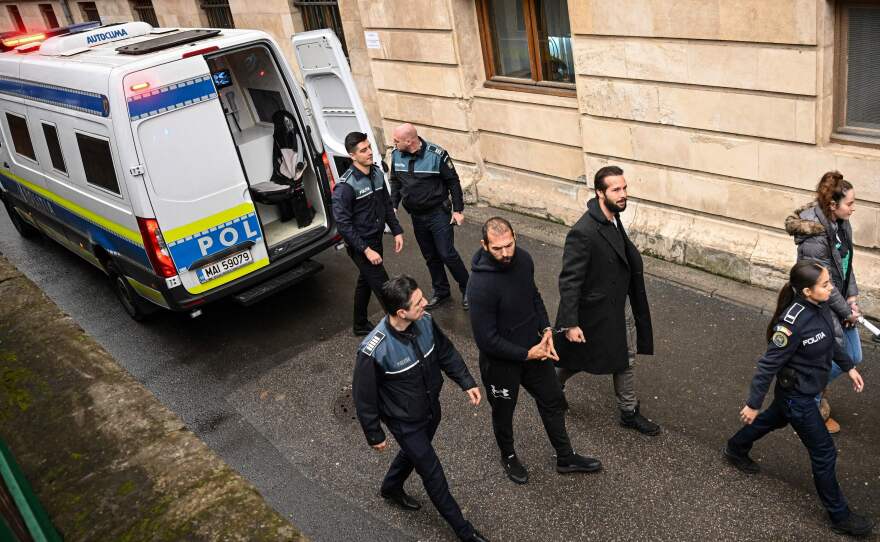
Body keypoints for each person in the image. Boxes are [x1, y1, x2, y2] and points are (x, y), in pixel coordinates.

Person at [724, 261, 872, 537]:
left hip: (801, 392)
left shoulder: (821, 306)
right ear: (807, 291)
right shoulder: (790, 325)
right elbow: (767, 365)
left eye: (829, 282)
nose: (831, 288)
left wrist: (850, 367)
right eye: (825, 284)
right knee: (824, 452)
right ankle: (839, 516)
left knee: (773, 419)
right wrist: (753, 403)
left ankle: (735, 447)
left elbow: (830, 343)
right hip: (798, 398)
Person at [352, 275, 488, 542]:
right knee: (433, 474)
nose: (425, 303)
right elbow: (364, 396)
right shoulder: (373, 350)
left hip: (430, 410)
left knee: (415, 453)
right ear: (401, 313)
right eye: (418, 302)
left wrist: (465, 381)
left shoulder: (424, 321)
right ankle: (465, 532)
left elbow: (446, 352)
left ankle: (391, 487)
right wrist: (374, 434)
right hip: (405, 422)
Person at [467, 217, 602, 484]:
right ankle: (508, 456)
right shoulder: (480, 286)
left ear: (515, 236)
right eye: (497, 249)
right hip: (502, 363)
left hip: (535, 350)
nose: (505, 254)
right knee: (504, 413)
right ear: (484, 245)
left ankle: (565, 456)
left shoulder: (524, 260)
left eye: (509, 245)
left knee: (553, 400)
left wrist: (547, 331)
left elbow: (534, 297)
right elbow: (486, 340)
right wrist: (527, 354)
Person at [554, 166, 660, 435]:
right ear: (600, 192)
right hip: (596, 311)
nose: (623, 194)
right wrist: (570, 323)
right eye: (616, 189)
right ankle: (627, 411)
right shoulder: (583, 232)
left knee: (620, 357)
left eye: (624, 188)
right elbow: (569, 280)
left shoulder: (611, 216)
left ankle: (627, 408)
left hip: (616, 305)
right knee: (597, 357)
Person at [784, 171, 862, 433]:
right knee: (835, 357)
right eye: (849, 203)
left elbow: (846, 264)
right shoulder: (815, 240)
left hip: (839, 301)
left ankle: (807, 395)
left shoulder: (841, 223)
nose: (853, 208)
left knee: (854, 355)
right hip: (821, 305)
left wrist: (852, 296)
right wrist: (847, 311)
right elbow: (824, 283)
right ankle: (807, 402)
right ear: (833, 205)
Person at [331, 132, 404, 336]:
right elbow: (343, 224)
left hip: (376, 238)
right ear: (352, 156)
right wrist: (366, 250)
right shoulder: (345, 187)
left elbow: (387, 205)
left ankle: (360, 324)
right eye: (364, 150)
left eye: (369, 147)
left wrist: (396, 230)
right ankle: (400, 328)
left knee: (365, 282)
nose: (370, 152)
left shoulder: (377, 173)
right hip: (360, 245)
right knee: (385, 287)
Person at [389, 123, 469, 310]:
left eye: (396, 140)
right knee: (430, 256)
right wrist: (393, 205)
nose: (393, 142)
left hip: (438, 214)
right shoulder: (396, 155)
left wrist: (458, 210)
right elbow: (395, 182)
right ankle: (441, 291)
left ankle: (468, 289)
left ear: (409, 141)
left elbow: (453, 182)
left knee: (447, 254)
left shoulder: (436, 155)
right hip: (417, 216)